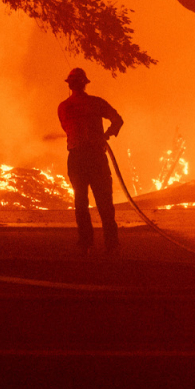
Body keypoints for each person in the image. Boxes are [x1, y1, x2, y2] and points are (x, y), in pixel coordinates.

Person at [56, 67, 124, 254]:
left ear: (70, 85)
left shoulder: (63, 107)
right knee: (104, 202)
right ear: (85, 84)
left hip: (77, 157)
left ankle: (85, 244)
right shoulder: (96, 103)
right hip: (95, 157)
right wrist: (107, 135)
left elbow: (66, 129)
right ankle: (111, 244)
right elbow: (117, 120)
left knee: (81, 203)